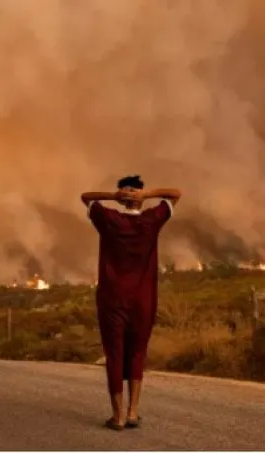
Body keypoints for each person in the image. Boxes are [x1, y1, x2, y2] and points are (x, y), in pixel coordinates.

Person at [81, 175, 181, 431]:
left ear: (123, 197)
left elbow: (85, 197)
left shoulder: (109, 220)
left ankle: (118, 417)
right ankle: (133, 412)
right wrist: (148, 195)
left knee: (114, 355)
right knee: (137, 352)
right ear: (138, 195)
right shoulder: (152, 220)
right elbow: (176, 194)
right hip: (143, 299)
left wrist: (111, 197)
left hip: (112, 299)